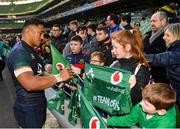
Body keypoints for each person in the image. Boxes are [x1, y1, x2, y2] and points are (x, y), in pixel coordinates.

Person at [7, 18, 73, 128]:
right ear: (28, 31)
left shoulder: (31, 49)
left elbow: (41, 73)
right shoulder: (19, 52)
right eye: (40, 33)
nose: (43, 37)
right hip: (28, 108)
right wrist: (59, 77)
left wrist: (61, 78)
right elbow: (29, 84)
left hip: (37, 105)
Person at [104, 83, 176, 128]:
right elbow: (130, 119)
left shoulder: (166, 124)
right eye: (142, 100)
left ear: (161, 112)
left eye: (146, 104)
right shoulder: (142, 105)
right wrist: (108, 121)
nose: (140, 103)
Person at [145, 23, 180, 110]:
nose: (164, 37)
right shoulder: (174, 48)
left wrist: (137, 55)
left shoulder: (177, 51)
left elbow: (158, 58)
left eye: (168, 35)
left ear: (177, 36)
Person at [110, 29, 150, 105]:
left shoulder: (140, 69)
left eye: (115, 47)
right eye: (112, 47)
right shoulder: (115, 64)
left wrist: (132, 88)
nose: (112, 51)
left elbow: (139, 100)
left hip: (130, 115)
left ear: (128, 47)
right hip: (112, 111)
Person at [144, 11, 169, 84]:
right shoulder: (147, 35)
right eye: (151, 21)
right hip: (148, 76)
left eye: (154, 21)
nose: (152, 23)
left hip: (163, 79)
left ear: (163, 21)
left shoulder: (170, 36)